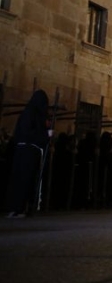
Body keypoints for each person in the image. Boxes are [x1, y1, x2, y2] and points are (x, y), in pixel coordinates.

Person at [5, 90, 52, 218]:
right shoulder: (31, 115)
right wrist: (47, 131)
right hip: (27, 152)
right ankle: (16, 208)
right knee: (22, 180)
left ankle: (17, 208)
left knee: (22, 180)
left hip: (25, 152)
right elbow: (32, 134)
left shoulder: (29, 114)